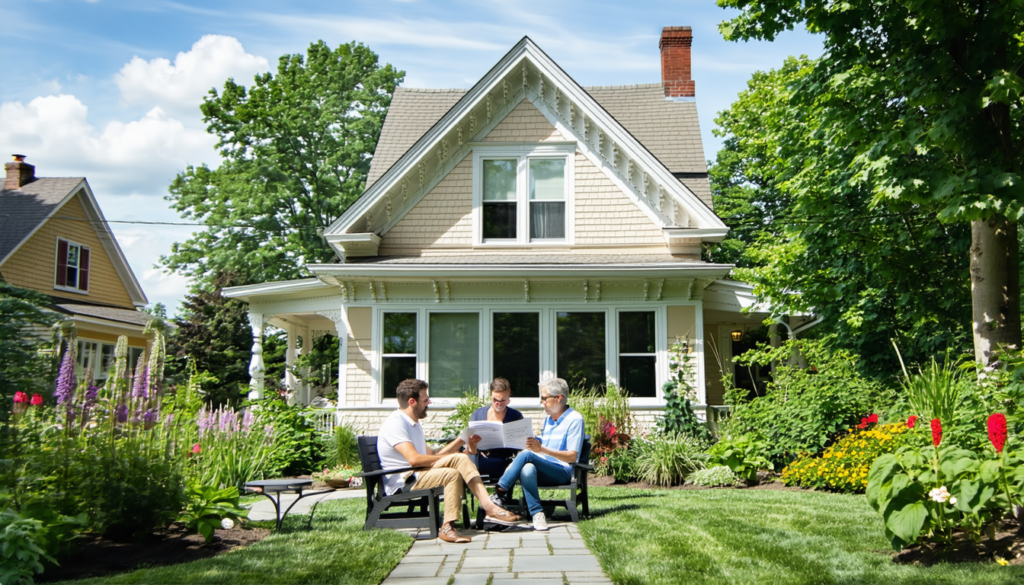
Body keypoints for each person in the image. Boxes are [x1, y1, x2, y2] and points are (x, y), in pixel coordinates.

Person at [377, 378, 521, 543]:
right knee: (456, 463)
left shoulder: (413, 424)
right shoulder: (396, 423)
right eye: (425, 399)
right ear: (412, 401)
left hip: (418, 474)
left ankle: (448, 527)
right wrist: (455, 457)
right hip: (404, 480)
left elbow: (433, 454)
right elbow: (415, 460)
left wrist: (460, 441)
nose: (429, 402)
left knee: (453, 472)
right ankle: (490, 508)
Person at [491, 378, 584, 531]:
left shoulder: (575, 419)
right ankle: (537, 514)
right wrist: (530, 442)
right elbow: (542, 445)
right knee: (527, 468)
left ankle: (500, 492)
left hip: (562, 471)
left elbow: (572, 456)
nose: (541, 402)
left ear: (558, 398)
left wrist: (540, 449)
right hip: (542, 468)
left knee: (527, 455)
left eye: (544, 398)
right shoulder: (547, 421)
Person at [464, 378, 524, 480]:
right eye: (495, 400)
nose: (499, 404)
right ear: (491, 395)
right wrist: (472, 444)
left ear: (509, 395)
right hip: (480, 461)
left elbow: (521, 446)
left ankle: (501, 494)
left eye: (503, 400)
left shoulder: (515, 416)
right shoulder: (478, 414)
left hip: (506, 462)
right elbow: (469, 447)